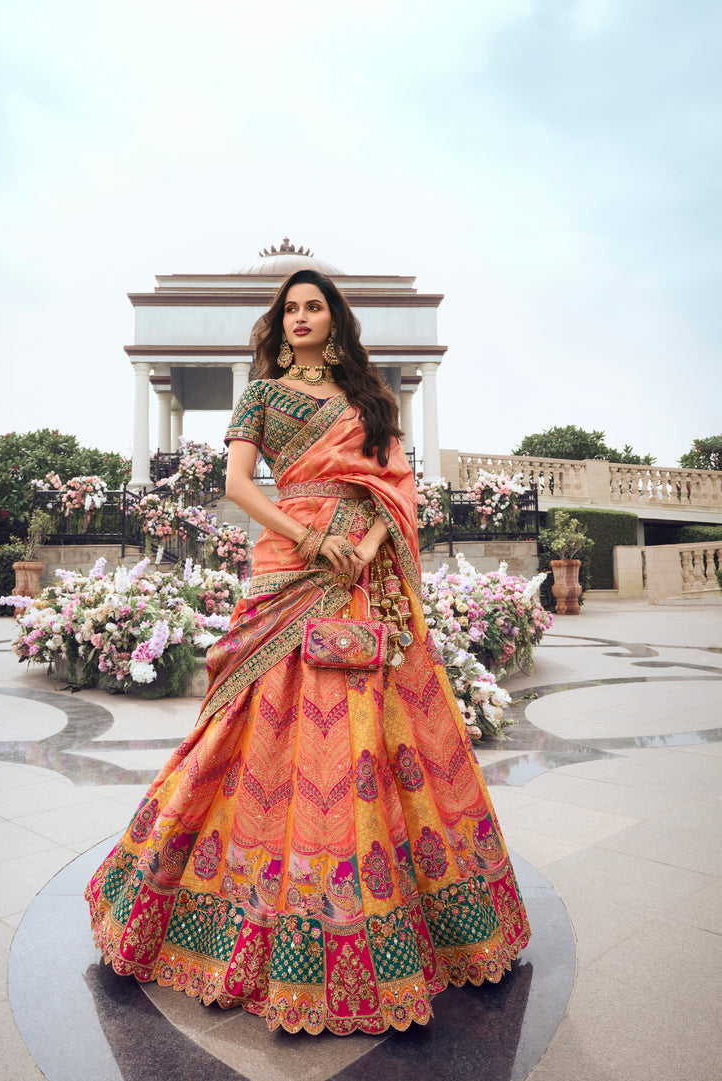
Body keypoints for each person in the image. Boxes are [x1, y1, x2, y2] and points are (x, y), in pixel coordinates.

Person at [85, 269, 530, 1036]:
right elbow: (237, 483)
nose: (298, 317)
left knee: (363, 726)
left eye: (312, 306)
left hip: (356, 574)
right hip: (289, 566)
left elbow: (397, 488)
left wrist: (360, 545)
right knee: (244, 723)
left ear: (334, 319)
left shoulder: (370, 402)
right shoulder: (259, 393)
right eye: (288, 308)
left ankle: (403, 918)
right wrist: (314, 539)